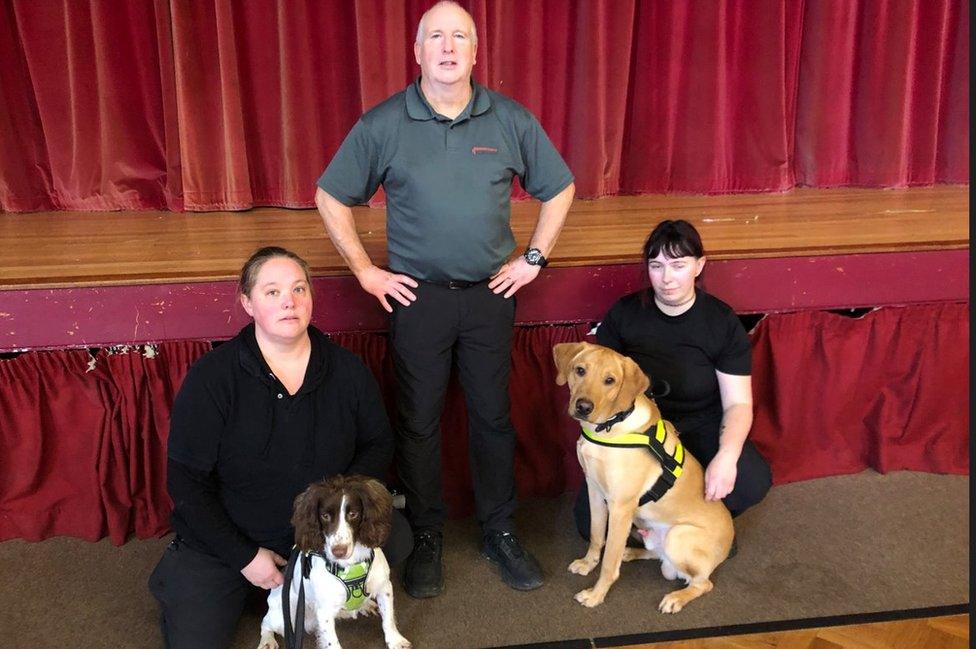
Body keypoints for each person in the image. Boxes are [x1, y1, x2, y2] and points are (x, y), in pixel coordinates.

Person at [315, 1, 575, 598]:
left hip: (489, 296)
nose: (449, 46)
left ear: (476, 52)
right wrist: (364, 271)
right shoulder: (384, 122)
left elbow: (559, 188)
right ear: (418, 52)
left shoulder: (508, 118)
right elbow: (331, 196)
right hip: (417, 299)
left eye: (461, 36)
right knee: (418, 425)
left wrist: (533, 258)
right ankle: (426, 533)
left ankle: (500, 530)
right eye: (436, 36)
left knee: (492, 418)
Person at [148, 247, 412, 649]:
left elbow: (377, 443)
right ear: (247, 303)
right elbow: (185, 481)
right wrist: (245, 557)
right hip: (234, 541)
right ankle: (243, 583)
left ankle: (293, 586)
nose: (289, 301)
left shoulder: (347, 371)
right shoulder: (212, 378)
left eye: (298, 289)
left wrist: (339, 521)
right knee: (194, 639)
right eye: (271, 292)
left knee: (400, 539)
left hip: (325, 537)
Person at [574, 220, 772, 541]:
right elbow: (599, 390)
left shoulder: (720, 321)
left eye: (678, 265)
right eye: (657, 266)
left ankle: (696, 523)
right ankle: (651, 529)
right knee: (590, 523)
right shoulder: (624, 314)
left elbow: (738, 402)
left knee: (750, 481)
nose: (666, 278)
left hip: (701, 424)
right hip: (638, 428)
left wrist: (727, 455)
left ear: (698, 266)